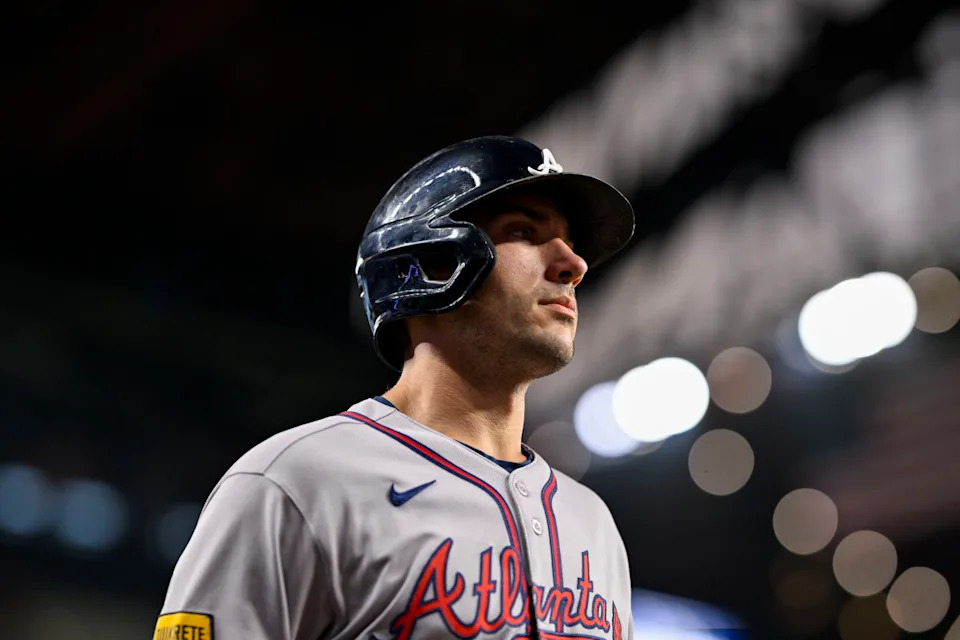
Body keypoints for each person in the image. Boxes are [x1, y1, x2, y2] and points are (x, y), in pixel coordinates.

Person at [154, 135, 636, 640]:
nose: (574, 265)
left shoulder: (593, 524)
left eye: (573, 245)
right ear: (430, 262)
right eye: (524, 230)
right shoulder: (295, 482)